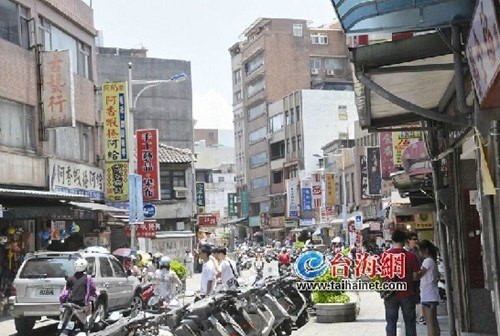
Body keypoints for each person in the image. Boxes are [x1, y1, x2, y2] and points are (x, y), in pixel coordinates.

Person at [383, 229, 419, 336]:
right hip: (407, 293)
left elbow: (381, 275)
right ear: (404, 241)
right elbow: (415, 276)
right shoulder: (411, 256)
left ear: (392, 240)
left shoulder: (385, 256)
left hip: (390, 294)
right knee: (410, 323)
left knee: (391, 322)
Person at [59, 258, 96, 328]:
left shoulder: (70, 278)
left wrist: (62, 302)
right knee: (88, 315)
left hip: (70, 303)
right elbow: (93, 289)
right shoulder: (88, 278)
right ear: (85, 267)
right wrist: (95, 295)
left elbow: (64, 293)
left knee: (64, 318)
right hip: (82, 304)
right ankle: (86, 327)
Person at [417, 240, 441, 336]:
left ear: (426, 250)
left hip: (428, 295)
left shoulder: (427, 261)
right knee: (434, 322)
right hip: (432, 294)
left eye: (420, 250)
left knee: (430, 323)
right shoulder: (432, 261)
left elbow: (419, 275)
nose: (419, 252)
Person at [405, 232, 425, 324]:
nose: (416, 240)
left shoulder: (419, 251)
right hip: (409, 279)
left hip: (419, 278)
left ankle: (421, 316)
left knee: (419, 298)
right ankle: (414, 316)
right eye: (414, 239)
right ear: (408, 240)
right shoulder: (405, 252)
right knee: (411, 299)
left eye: (416, 238)